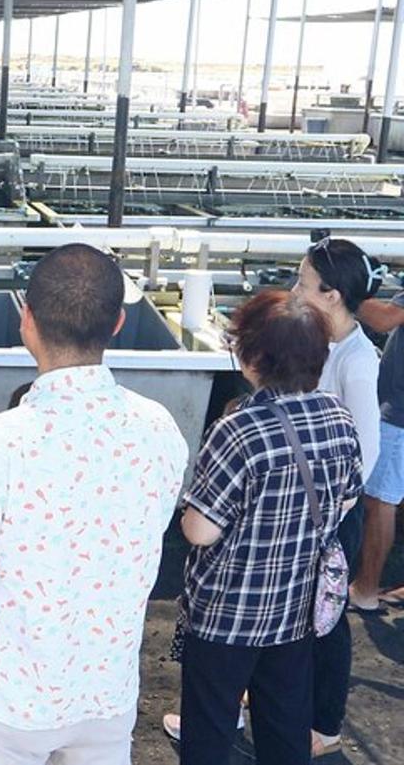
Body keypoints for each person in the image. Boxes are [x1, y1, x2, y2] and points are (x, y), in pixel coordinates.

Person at [0, 243, 189, 765]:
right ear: (118, 323)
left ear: (26, 319)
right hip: (103, 690)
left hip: (0, 692)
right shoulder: (160, 429)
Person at [176, 291, 363, 765]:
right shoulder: (338, 418)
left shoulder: (239, 429)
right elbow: (347, 498)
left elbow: (200, 531)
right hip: (296, 610)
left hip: (227, 613)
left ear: (254, 356)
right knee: (284, 727)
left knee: (211, 730)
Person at [291, 237, 386, 757]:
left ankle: (325, 727)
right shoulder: (317, 338)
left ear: (331, 295)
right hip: (309, 504)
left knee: (327, 621)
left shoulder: (357, 358)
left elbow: (366, 449)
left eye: (303, 283)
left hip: (332, 514)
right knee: (296, 612)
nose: (295, 290)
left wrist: (335, 508)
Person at [351, 288, 404, 610]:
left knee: (380, 501)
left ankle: (366, 591)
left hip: (400, 412)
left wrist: (341, 291)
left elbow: (385, 319)